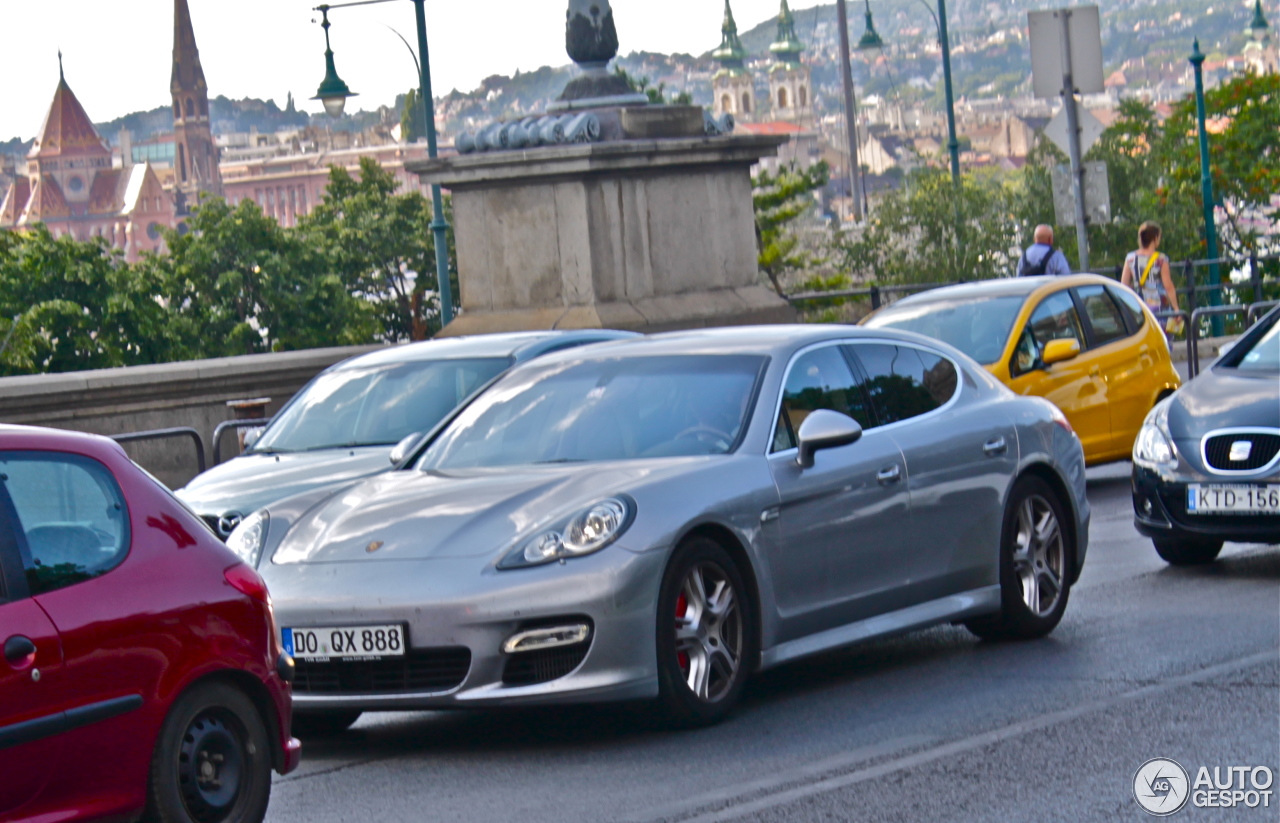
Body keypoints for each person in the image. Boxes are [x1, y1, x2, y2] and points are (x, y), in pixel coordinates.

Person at [1120, 222, 1181, 331]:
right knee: (1163, 341)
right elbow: (1168, 286)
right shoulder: (1161, 259)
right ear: (1155, 238)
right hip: (1161, 308)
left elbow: (1123, 285)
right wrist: (1176, 309)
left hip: (1139, 308)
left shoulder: (1130, 258)